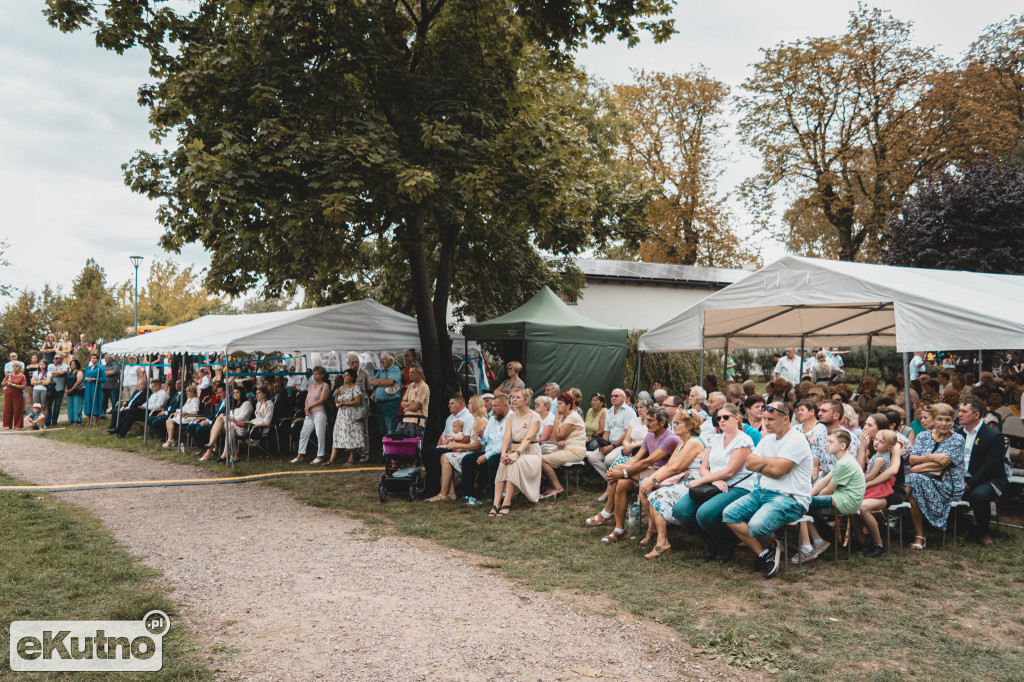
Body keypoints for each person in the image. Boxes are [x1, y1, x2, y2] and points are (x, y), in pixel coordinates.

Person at [722, 402, 813, 579]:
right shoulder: (768, 438)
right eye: (764, 419)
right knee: (729, 514)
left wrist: (764, 464)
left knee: (757, 526)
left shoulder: (796, 440)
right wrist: (772, 462)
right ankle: (765, 553)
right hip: (762, 492)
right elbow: (749, 463)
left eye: (771, 419)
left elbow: (778, 472)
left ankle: (774, 546)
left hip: (790, 498)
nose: (766, 423)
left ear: (785, 419)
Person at [673, 404, 756, 563]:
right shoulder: (715, 439)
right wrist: (713, 479)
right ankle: (711, 542)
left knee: (704, 514)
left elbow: (731, 472)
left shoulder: (743, 440)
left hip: (737, 486)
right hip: (714, 484)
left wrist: (702, 480)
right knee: (680, 511)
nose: (721, 420)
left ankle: (725, 544)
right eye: (718, 418)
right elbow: (704, 467)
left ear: (736, 418)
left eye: (726, 417)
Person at [584, 407, 679, 543]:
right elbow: (636, 459)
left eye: (651, 421)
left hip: (661, 474)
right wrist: (618, 470)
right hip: (648, 470)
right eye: (647, 420)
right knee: (622, 482)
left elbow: (648, 461)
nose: (646, 423)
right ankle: (619, 529)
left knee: (619, 471)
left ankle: (607, 513)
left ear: (662, 422)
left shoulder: (670, 438)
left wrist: (621, 471)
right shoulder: (649, 435)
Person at [639, 410, 706, 559]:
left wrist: (653, 481)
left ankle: (662, 542)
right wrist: (651, 479)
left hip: (694, 482)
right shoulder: (683, 441)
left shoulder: (694, 441)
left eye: (677, 423)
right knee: (643, 486)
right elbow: (669, 465)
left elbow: (676, 468)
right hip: (682, 478)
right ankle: (653, 530)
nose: (673, 425)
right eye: (673, 422)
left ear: (688, 426)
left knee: (657, 495)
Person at [791, 429, 865, 564]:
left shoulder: (845, 463)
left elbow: (828, 490)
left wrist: (806, 499)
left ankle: (810, 547)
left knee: (798, 505)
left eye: (830, 442)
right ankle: (818, 541)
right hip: (841, 499)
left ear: (842, 446)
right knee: (801, 502)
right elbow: (823, 482)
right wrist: (807, 496)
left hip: (844, 502)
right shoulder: (843, 460)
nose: (826, 444)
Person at [904, 403, 966, 549]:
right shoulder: (923, 436)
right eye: (939, 419)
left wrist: (918, 467)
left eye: (947, 420)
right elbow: (912, 460)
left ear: (953, 420)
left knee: (912, 479)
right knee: (914, 483)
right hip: (922, 479)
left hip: (947, 484)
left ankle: (892, 510)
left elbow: (941, 466)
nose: (944, 424)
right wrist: (933, 456)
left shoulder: (957, 439)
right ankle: (919, 535)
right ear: (933, 420)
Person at [957, 398, 1007, 545]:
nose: (959, 414)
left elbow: (990, 466)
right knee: (938, 490)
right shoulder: (959, 434)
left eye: (964, 411)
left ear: (976, 414)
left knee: (978, 495)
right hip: (962, 477)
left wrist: (969, 484)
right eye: (959, 410)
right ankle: (967, 527)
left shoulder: (993, 435)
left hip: (988, 478)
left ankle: (983, 531)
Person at [489, 387, 542, 517]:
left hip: (530, 452)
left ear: (526, 400)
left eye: (518, 397)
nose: (513, 400)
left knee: (513, 463)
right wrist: (503, 454)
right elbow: (506, 438)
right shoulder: (511, 417)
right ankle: (496, 504)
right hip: (513, 450)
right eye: (512, 397)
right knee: (503, 463)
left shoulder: (534, 416)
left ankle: (507, 502)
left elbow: (528, 438)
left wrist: (516, 454)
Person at [457, 394, 509, 505]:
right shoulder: (493, 419)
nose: (492, 409)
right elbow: (486, 440)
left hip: (504, 452)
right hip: (489, 451)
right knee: (467, 460)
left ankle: (494, 497)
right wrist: (482, 436)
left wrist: (486, 456)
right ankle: (468, 495)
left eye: (496, 406)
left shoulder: (510, 419)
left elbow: (505, 443)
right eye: (492, 406)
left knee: (492, 461)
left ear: (505, 406)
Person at [435, 396, 488, 502]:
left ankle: (444, 494)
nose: (468, 405)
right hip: (470, 451)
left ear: (476, 406)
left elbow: (478, 446)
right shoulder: (476, 420)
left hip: (480, 453)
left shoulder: (480, 421)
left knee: (445, 457)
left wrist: (458, 445)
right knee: (444, 456)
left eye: (470, 403)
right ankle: (450, 493)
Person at [422, 394, 475, 500]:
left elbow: (467, 438)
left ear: (460, 404)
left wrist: (449, 442)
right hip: (447, 444)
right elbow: (443, 435)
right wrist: (438, 446)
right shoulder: (450, 418)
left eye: (452, 403)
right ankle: (433, 485)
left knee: (438, 453)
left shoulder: (468, 417)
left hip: (460, 446)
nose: (448, 406)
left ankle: (433, 490)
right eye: (449, 403)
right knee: (426, 451)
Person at [858, 429, 900, 557]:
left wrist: (859, 480)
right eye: (876, 439)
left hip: (879, 487)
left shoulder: (880, 458)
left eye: (881, 442)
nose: (876, 443)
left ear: (890, 447)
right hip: (876, 484)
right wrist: (866, 457)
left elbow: (871, 476)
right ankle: (862, 539)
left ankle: (879, 544)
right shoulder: (878, 456)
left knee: (862, 506)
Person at [539, 392, 586, 498]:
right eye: (557, 403)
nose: (557, 406)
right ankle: (546, 485)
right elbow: (553, 437)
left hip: (575, 451)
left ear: (568, 406)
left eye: (560, 404)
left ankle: (558, 487)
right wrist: (559, 439)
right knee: (537, 456)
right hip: (564, 449)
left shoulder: (573, 417)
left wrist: (555, 421)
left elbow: (559, 435)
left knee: (542, 459)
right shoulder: (562, 417)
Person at [292, 366, 331, 464]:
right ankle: (300, 454)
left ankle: (320, 455)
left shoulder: (325, 385)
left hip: (319, 412)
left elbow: (322, 399)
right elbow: (307, 398)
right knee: (304, 433)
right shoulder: (311, 386)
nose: (314, 375)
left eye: (316, 373)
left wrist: (309, 406)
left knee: (320, 434)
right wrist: (306, 407)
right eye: (314, 373)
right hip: (309, 413)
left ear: (322, 375)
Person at [331, 368, 367, 467]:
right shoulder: (342, 388)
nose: (344, 377)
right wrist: (337, 395)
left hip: (351, 414)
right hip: (341, 415)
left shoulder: (356, 388)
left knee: (351, 434)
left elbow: (357, 401)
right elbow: (336, 403)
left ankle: (351, 457)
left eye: (346, 375)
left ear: (351, 377)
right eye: (344, 375)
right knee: (340, 434)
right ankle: (333, 458)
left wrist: (345, 403)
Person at [345, 353, 373, 463]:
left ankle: (365, 454)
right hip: (351, 406)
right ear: (349, 364)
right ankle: (355, 452)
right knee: (353, 430)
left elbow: (369, 389)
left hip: (362, 405)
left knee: (364, 430)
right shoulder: (346, 375)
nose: (355, 364)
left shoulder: (364, 373)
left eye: (357, 362)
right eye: (353, 363)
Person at [794, 399, 829, 480]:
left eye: (802, 410)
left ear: (812, 412)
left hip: (816, 467)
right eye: (798, 410)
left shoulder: (821, 427)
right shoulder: (796, 428)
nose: (799, 413)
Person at [369, 353, 402, 439]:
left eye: (384, 360)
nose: (382, 362)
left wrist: (379, 382)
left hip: (390, 403)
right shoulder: (381, 371)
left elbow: (390, 382)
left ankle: (393, 448)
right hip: (379, 404)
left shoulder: (395, 369)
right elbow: (371, 382)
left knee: (391, 428)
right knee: (382, 428)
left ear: (391, 360)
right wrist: (383, 381)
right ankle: (386, 447)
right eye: (381, 360)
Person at [400, 365, 429, 434]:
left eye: (412, 372)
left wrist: (406, 408)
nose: (410, 374)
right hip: (406, 420)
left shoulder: (423, 387)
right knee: (401, 442)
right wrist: (411, 403)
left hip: (417, 421)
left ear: (419, 373)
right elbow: (402, 403)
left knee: (413, 444)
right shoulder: (410, 386)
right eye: (409, 372)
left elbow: (415, 407)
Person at [81, 353, 105, 427]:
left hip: (96, 386)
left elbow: (103, 379)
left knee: (96, 401)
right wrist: (85, 379)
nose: (93, 360)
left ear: (97, 359)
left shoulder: (100, 368)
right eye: (92, 358)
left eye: (94, 358)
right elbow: (84, 378)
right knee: (88, 402)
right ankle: (89, 421)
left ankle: (95, 421)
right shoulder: (88, 367)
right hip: (88, 387)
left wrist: (94, 379)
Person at [2, 361, 28, 429]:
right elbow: (2, 384)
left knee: (18, 409)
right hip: (9, 393)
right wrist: (7, 382)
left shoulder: (22, 376)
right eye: (13, 366)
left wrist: (13, 384)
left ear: (19, 368)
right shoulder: (9, 375)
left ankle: (18, 425)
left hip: (18, 393)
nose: (14, 368)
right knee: (8, 409)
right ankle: (8, 425)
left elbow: (23, 386)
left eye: (16, 366)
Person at [64, 358, 85, 425]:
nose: (72, 365)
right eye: (71, 364)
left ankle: (77, 420)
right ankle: (71, 420)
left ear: (77, 365)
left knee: (77, 406)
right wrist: (67, 389)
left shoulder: (79, 372)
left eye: (74, 364)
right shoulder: (69, 373)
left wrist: (72, 389)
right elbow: (66, 381)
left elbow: (78, 381)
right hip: (69, 392)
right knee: (70, 407)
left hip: (77, 391)